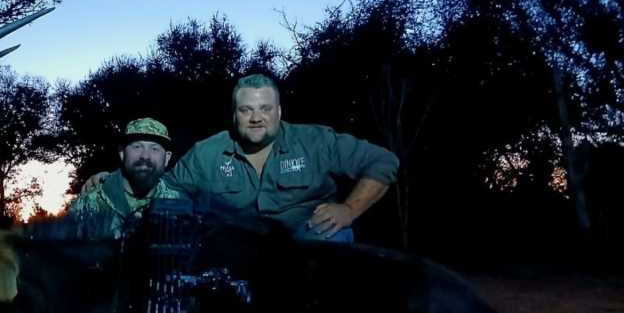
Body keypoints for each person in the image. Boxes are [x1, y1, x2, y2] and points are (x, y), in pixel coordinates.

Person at [85, 75, 399, 242]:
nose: (256, 118)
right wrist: (116, 180)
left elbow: (384, 162)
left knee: (333, 235)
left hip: (307, 242)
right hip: (238, 252)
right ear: (235, 115)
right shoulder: (207, 153)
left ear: (279, 112)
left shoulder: (316, 141)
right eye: (246, 110)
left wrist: (349, 209)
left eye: (265, 109)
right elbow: (166, 188)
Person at [67, 117, 185, 239]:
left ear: (167, 158)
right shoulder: (88, 203)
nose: (145, 156)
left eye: (154, 148)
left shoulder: (181, 206)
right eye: (137, 146)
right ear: (122, 153)